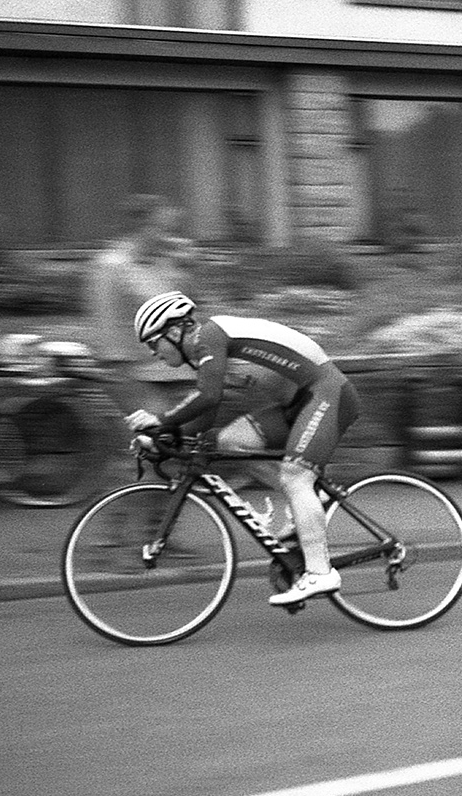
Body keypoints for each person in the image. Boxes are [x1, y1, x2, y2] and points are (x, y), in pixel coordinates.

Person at [123, 290, 361, 606]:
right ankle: (307, 502)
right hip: (298, 404)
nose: (153, 352)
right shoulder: (202, 354)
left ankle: (320, 573)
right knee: (232, 442)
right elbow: (206, 416)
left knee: (295, 476)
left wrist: (161, 420)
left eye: (153, 342)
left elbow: (209, 396)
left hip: (327, 393)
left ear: (175, 331)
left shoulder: (210, 336)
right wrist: (163, 436)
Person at [84, 194, 196, 417]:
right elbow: (107, 331)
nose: (174, 239)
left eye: (174, 231)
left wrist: (188, 269)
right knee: (159, 431)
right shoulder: (110, 267)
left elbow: (185, 313)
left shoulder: (168, 262)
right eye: (165, 230)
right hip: (135, 373)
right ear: (142, 227)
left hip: (174, 370)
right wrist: (119, 371)